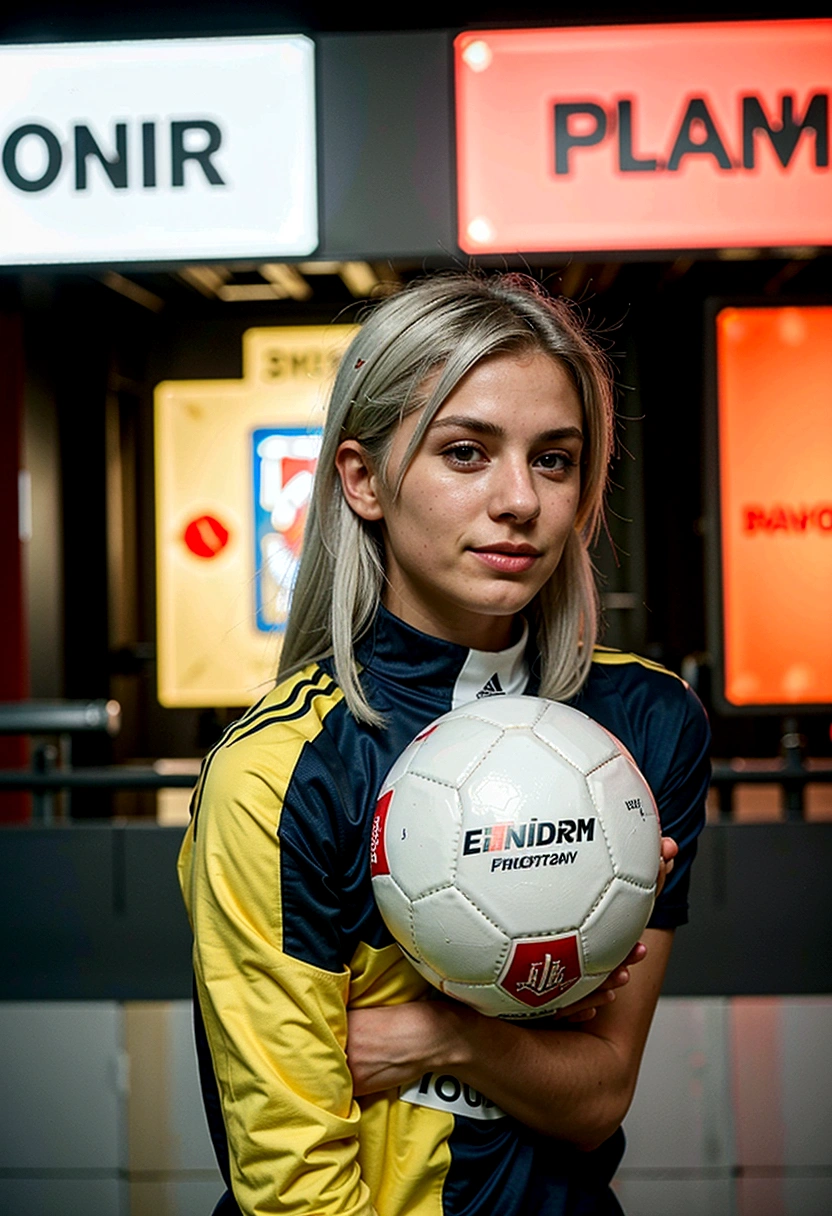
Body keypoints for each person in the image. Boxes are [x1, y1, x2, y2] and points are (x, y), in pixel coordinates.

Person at [178, 273, 711, 1216]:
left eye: (555, 459)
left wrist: (441, 1035)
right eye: (466, 452)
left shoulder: (646, 725)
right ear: (362, 479)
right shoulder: (281, 776)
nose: (520, 500)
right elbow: (294, 1188)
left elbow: (597, 1100)